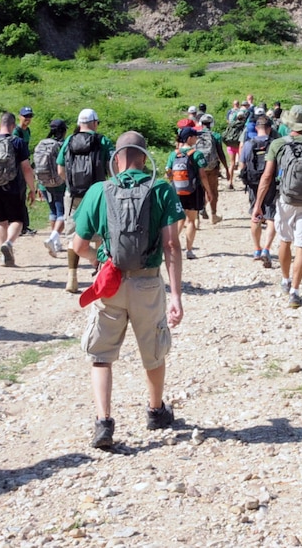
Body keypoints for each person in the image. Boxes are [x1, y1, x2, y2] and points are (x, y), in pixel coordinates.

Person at [72, 130, 184, 450]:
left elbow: (78, 246)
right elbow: (172, 245)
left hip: (111, 282)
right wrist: (175, 295)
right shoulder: (161, 188)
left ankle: (103, 422)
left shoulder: (99, 190)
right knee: (154, 350)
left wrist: (101, 260)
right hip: (148, 281)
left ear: (117, 158)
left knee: (101, 354)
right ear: (144, 156)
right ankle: (155, 411)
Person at [252, 105, 302, 309]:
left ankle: (286, 280)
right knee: (301, 246)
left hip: (285, 199)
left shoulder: (277, 144)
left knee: (285, 240)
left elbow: (267, 177)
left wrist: (258, 205)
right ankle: (295, 292)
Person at [57, 109, 114, 293]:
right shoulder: (102, 141)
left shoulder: (68, 141)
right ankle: (99, 275)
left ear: (79, 123)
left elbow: (60, 169)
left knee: (73, 235)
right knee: (99, 235)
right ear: (95, 123)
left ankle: (71, 279)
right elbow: (112, 166)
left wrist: (71, 185)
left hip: (73, 195)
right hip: (98, 194)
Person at [0, 112, 36, 267]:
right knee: (17, 220)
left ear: (0, 124)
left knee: (1, 221)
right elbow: (26, 168)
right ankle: (8, 243)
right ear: (13, 125)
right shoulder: (18, 142)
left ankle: (3, 256)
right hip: (13, 187)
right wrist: (32, 189)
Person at [166, 126, 213, 260]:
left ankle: (171, 245)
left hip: (177, 190)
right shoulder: (196, 154)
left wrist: (174, 183)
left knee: (179, 218)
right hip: (193, 190)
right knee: (191, 220)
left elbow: (168, 173)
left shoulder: (173, 154)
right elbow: (203, 175)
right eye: (195, 136)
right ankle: (189, 250)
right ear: (190, 138)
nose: (197, 138)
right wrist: (208, 191)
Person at [239, 115, 277, 267]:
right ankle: (267, 249)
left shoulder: (248, 144)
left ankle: (256, 249)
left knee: (255, 213)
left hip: (254, 184)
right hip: (271, 183)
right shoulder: (275, 144)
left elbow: (242, 165)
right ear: (269, 128)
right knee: (271, 217)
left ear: (256, 128)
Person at [34, 118, 68, 256]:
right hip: (59, 183)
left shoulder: (43, 143)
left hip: (44, 183)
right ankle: (52, 238)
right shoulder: (62, 145)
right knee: (63, 214)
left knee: (53, 211)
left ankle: (56, 242)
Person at [195, 113, 230, 224]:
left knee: (200, 191)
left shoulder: (196, 135)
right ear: (212, 124)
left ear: (201, 123)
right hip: (212, 168)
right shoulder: (215, 135)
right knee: (213, 191)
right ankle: (213, 215)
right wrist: (227, 169)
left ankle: (196, 217)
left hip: (199, 168)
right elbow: (221, 153)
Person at [14, 106, 35, 236]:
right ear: (19, 116)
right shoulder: (16, 132)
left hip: (24, 164)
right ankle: (22, 226)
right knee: (20, 196)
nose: (27, 119)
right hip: (17, 167)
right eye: (25, 116)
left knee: (22, 195)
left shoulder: (27, 131)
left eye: (29, 116)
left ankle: (22, 226)